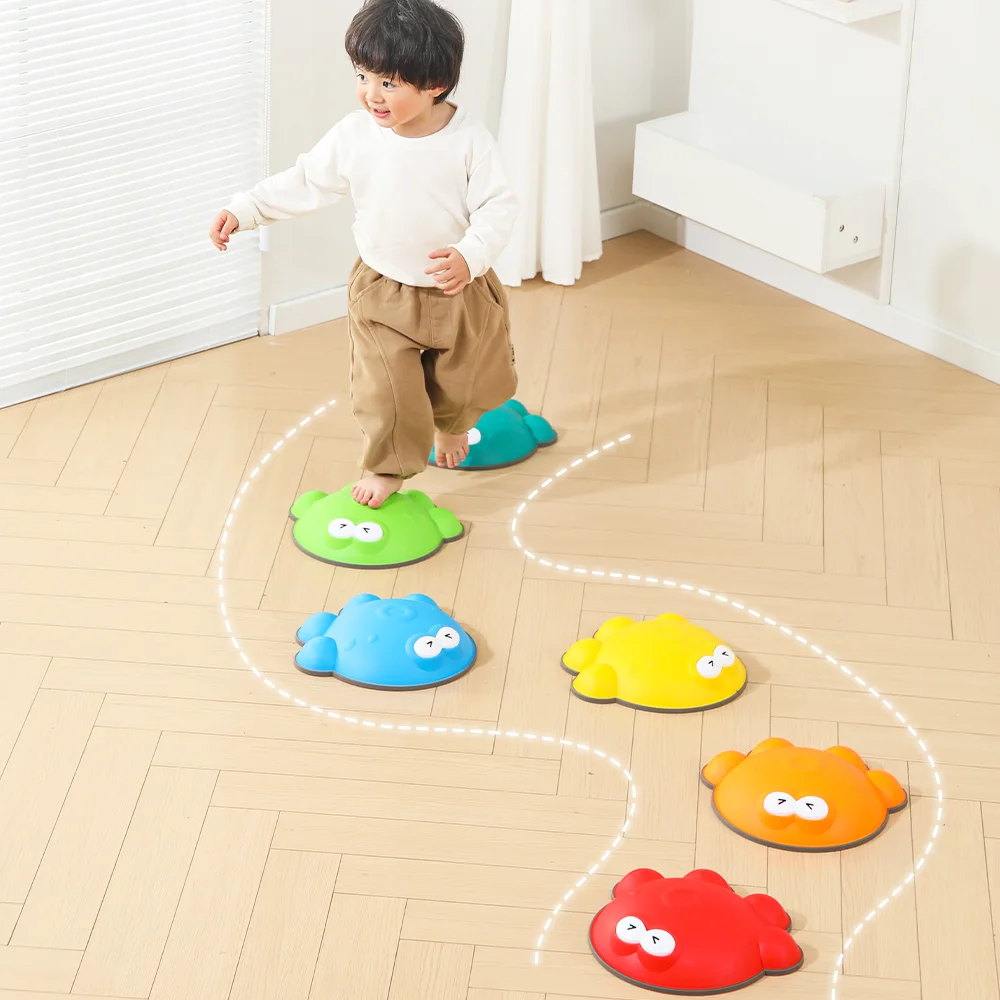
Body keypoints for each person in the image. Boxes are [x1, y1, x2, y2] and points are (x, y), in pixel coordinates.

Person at [209, 0, 518, 508]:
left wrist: (471, 254)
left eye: (389, 83)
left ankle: (453, 425)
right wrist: (247, 209)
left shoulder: (469, 141)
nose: (371, 94)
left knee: (464, 381)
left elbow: (497, 207)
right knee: (385, 390)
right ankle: (386, 466)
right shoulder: (355, 136)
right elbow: (306, 181)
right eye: (363, 76)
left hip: (459, 289)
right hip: (383, 291)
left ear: (435, 83)